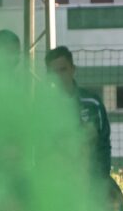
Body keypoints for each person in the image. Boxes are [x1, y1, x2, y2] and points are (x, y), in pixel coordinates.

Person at [46, 46, 112, 178]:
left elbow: (103, 144)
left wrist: (101, 178)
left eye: (63, 70)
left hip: (91, 179)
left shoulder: (92, 103)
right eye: (54, 72)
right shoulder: (44, 108)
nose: (59, 76)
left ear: (73, 69)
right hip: (57, 180)